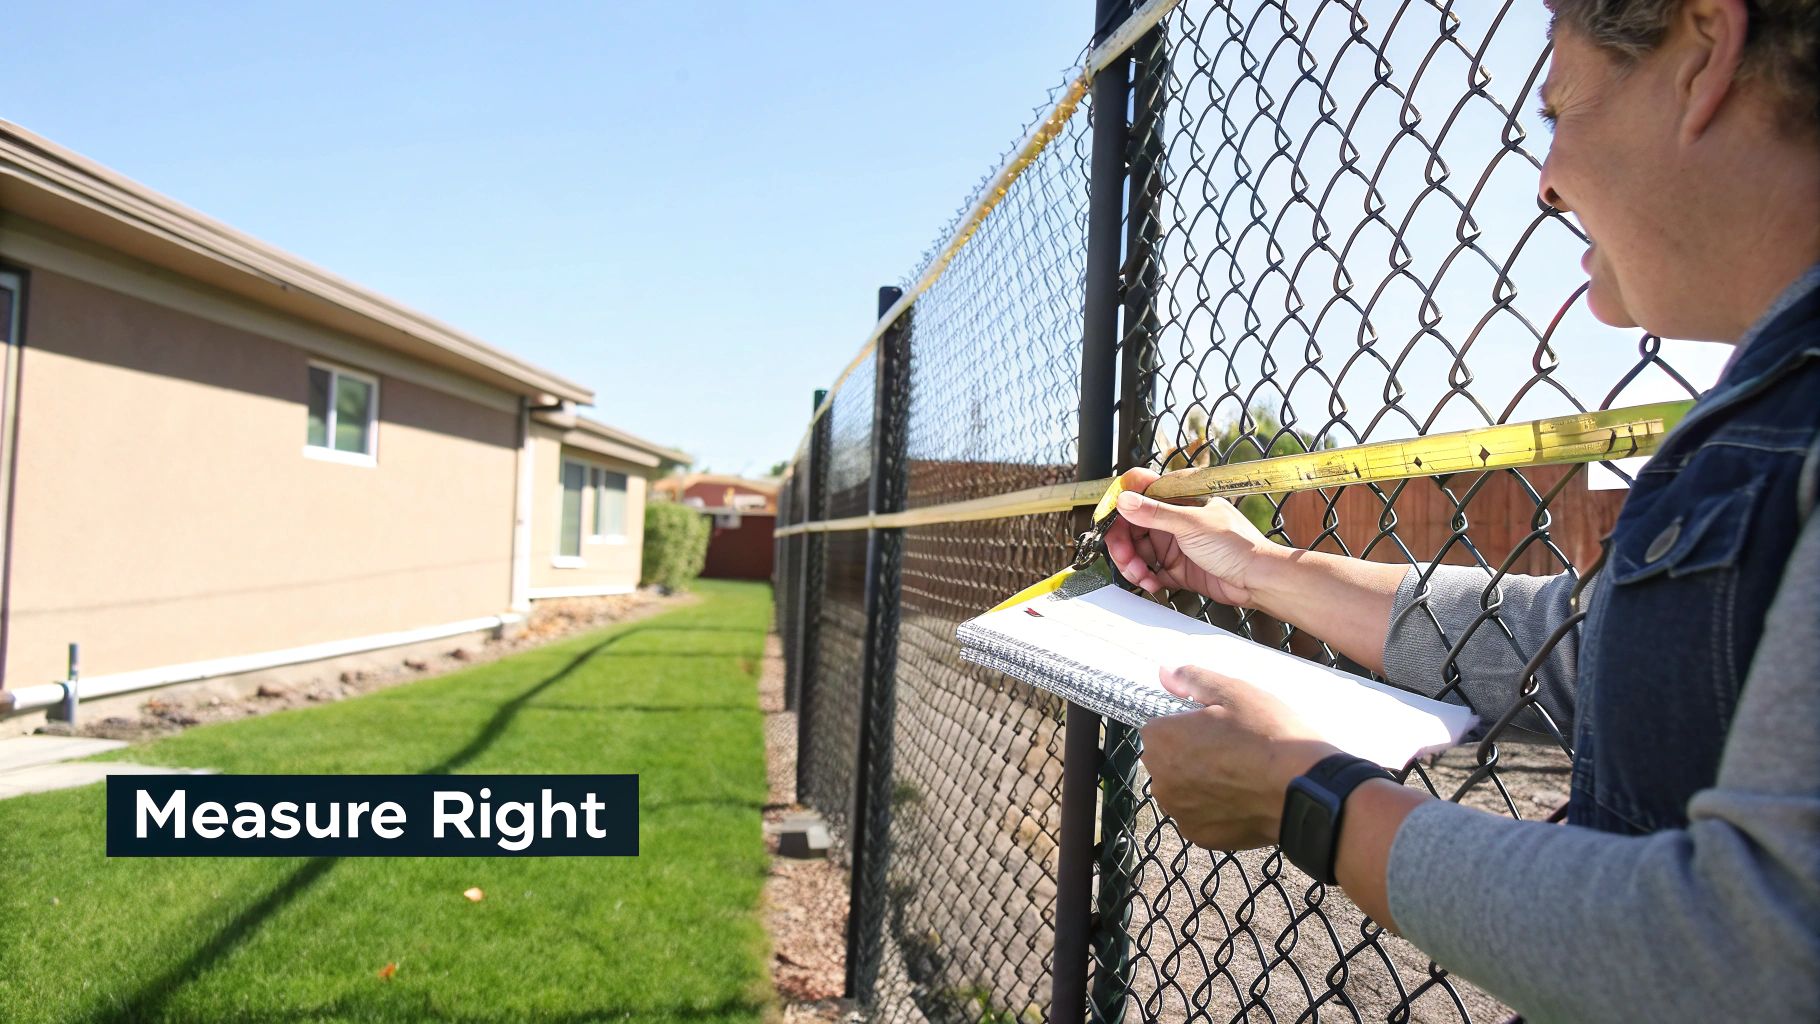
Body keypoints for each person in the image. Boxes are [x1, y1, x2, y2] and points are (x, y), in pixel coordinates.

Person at [1105, 1, 1820, 1020]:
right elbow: (1582, 655)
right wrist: (1254, 568)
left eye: (1561, 105)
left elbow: (1751, 958)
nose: (1544, 178)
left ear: (1703, 52)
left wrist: (1305, 796)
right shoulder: (1768, 407)